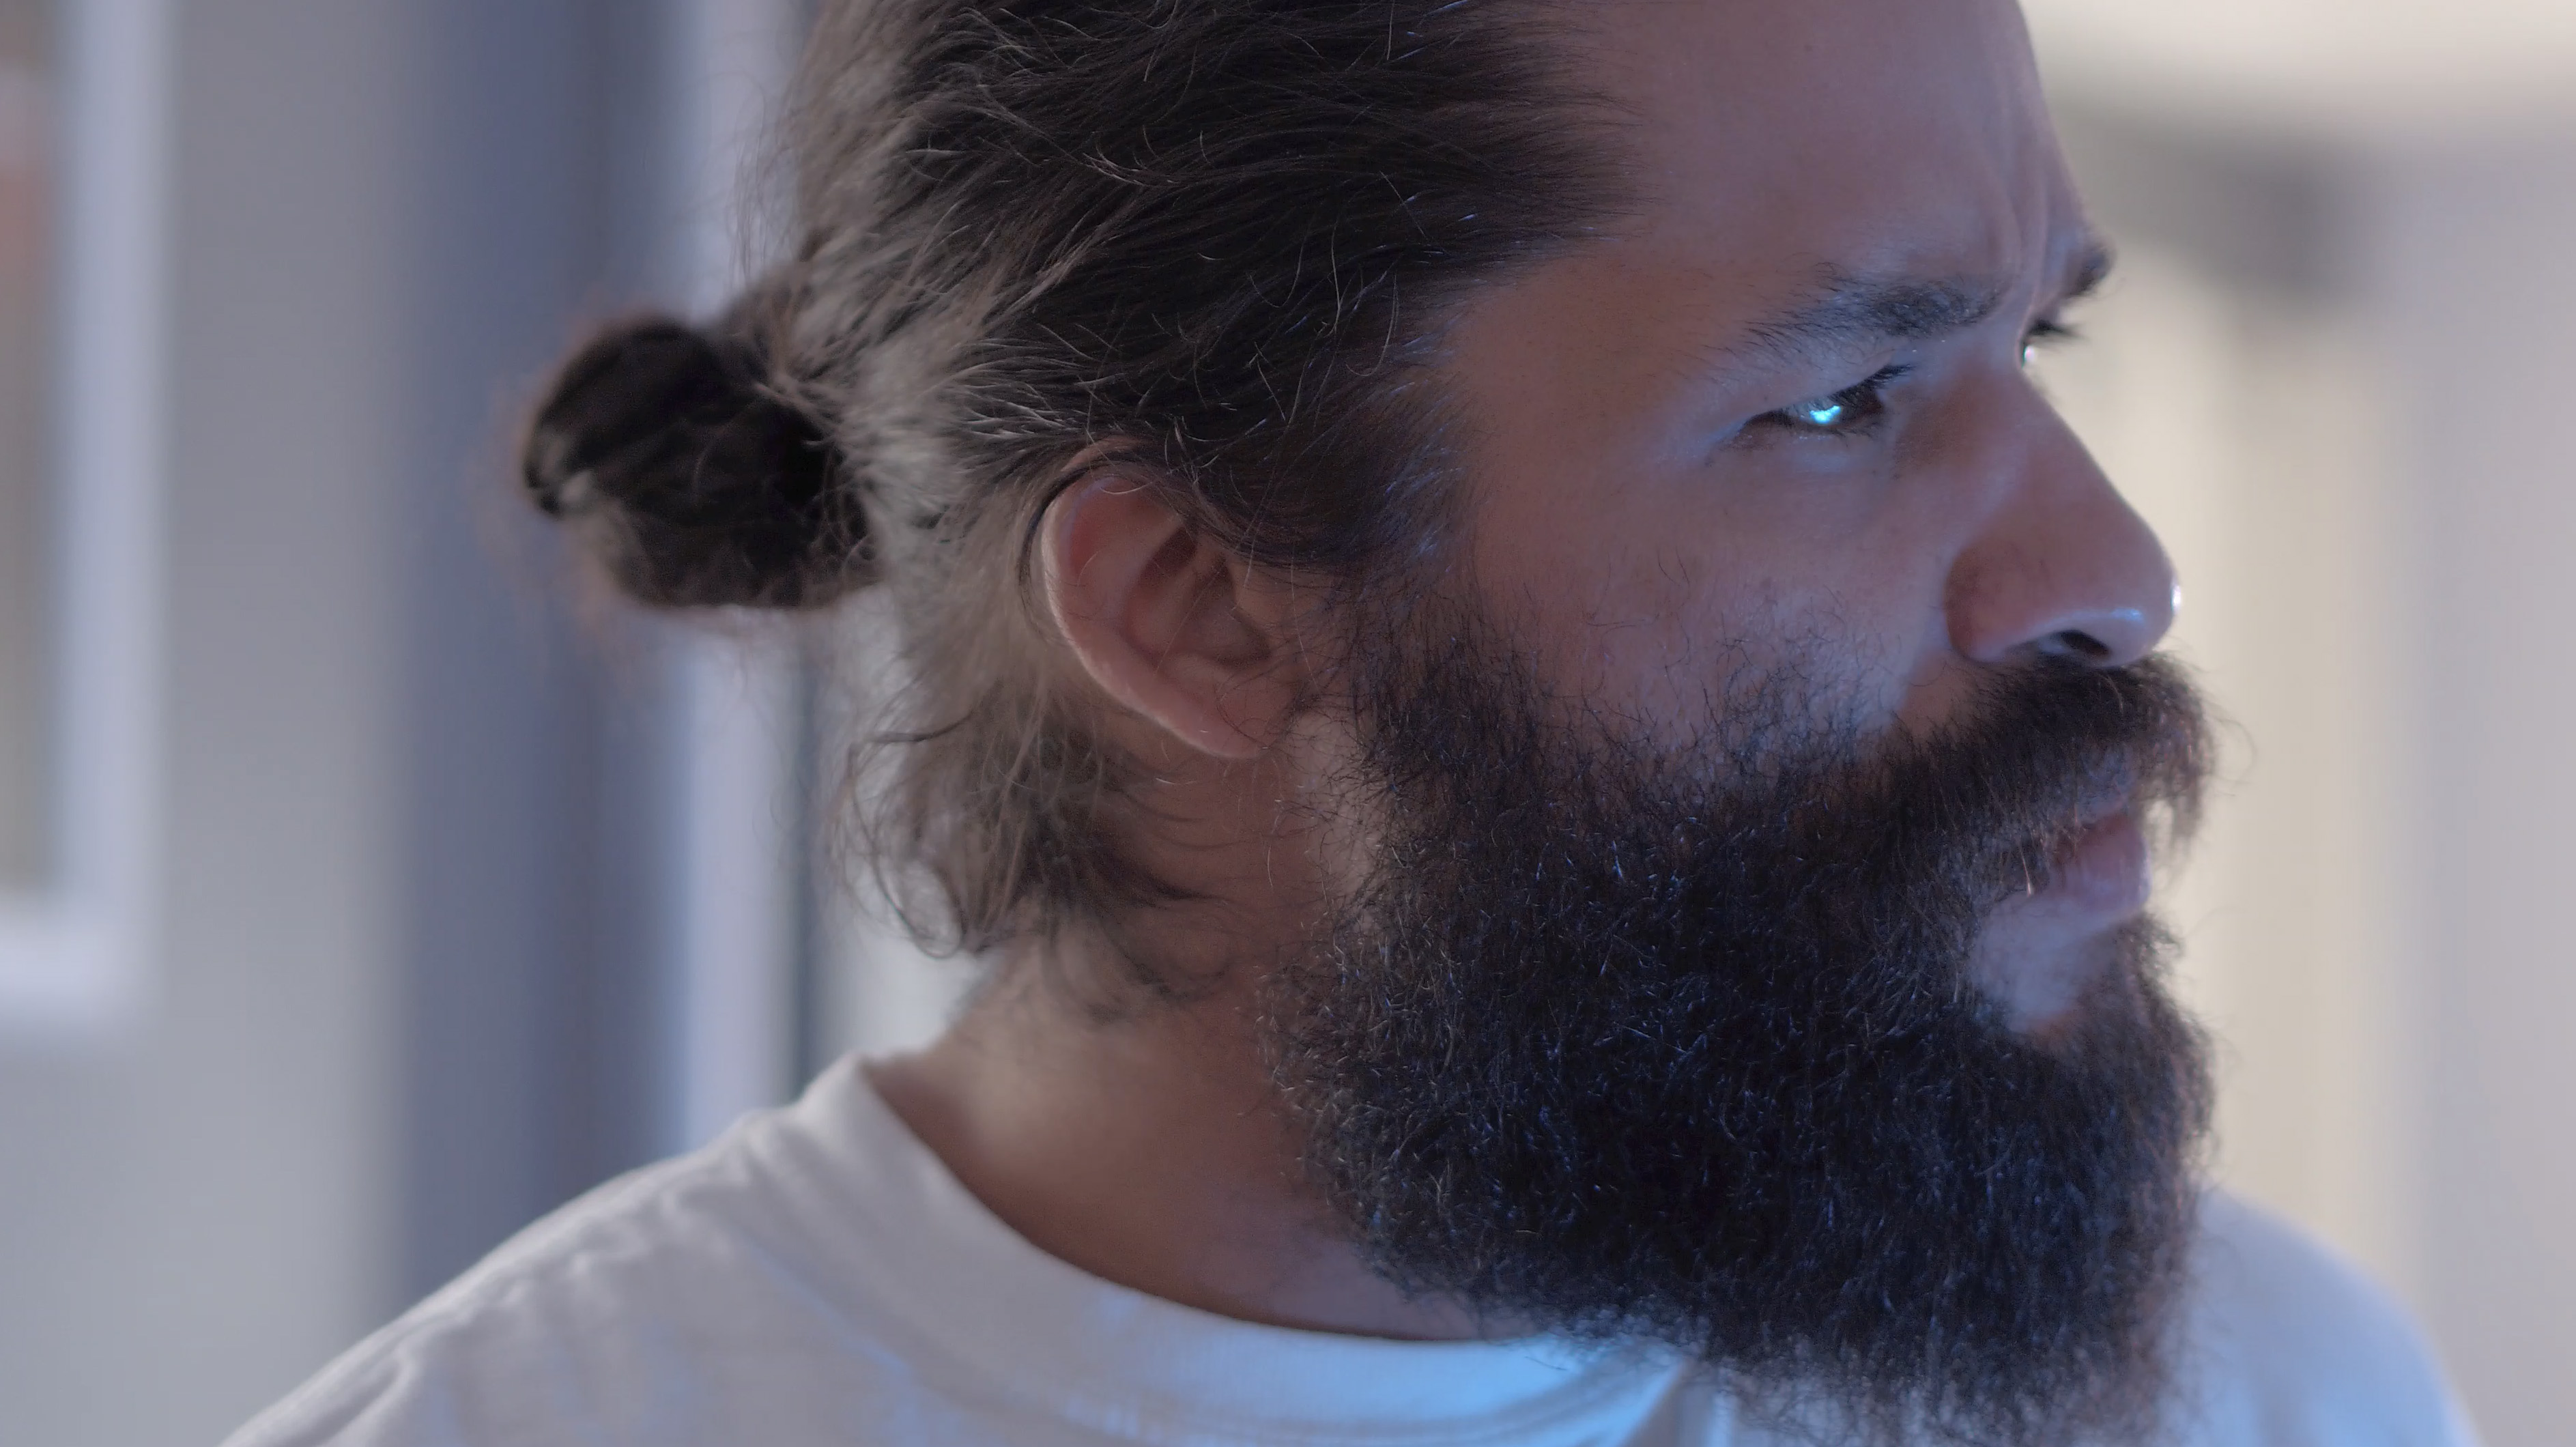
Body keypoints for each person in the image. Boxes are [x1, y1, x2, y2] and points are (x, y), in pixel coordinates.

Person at [227, 0, 2482, 1443]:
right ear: (1200, 608)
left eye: (2037, 343)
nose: (2116, 569)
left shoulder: (2262, 1396)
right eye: (1843, 399)